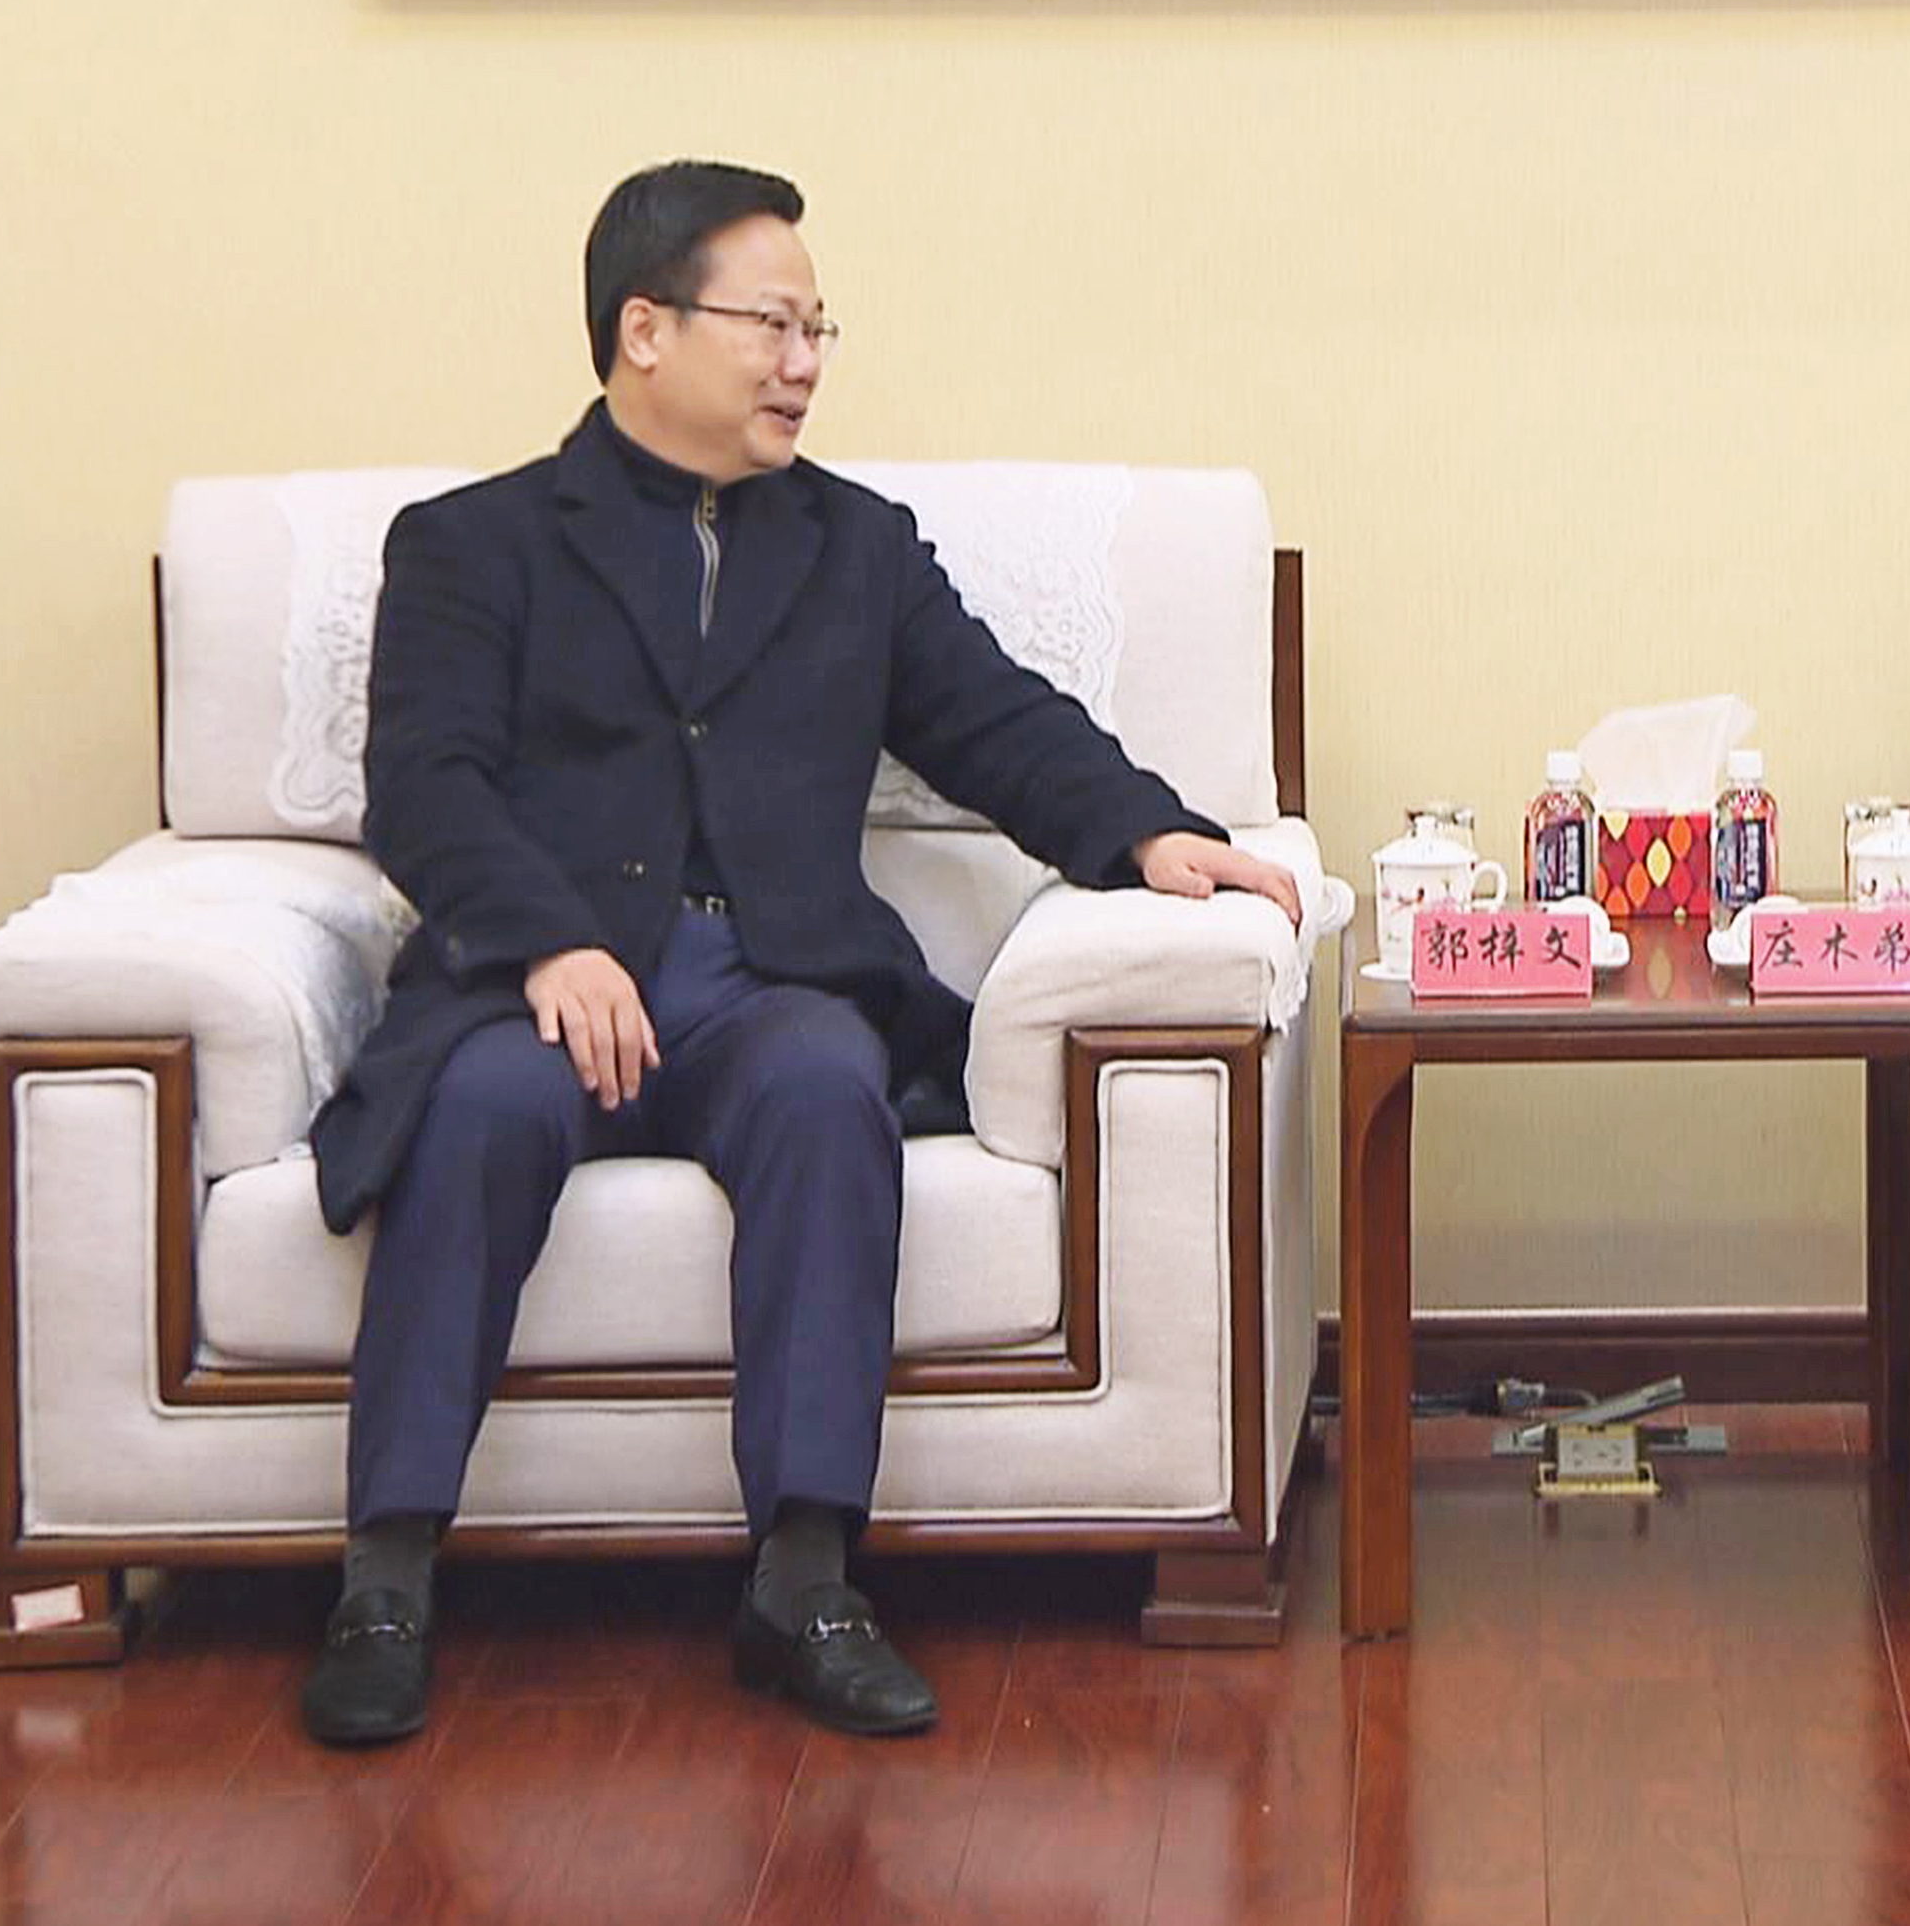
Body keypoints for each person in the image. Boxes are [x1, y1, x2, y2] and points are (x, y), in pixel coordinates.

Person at [296, 161, 1303, 1747]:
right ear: (644, 330)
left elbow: (992, 719)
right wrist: (551, 940)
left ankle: (807, 1575)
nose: (805, 361)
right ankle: (386, 1579)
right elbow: (425, 784)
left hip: (766, 983)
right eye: (772, 324)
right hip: (543, 985)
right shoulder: (477, 544)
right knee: (477, 1111)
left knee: (833, 1088)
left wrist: (1146, 836)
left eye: (818, 327)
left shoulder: (854, 546)